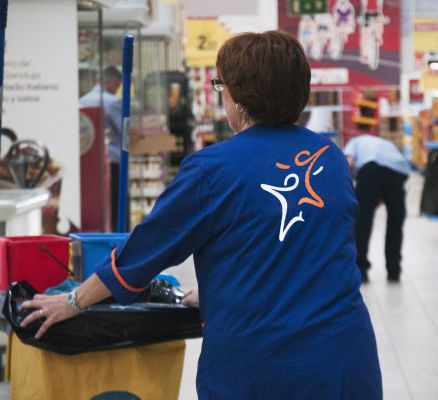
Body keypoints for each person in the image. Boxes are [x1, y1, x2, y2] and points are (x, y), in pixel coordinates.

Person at [21, 31, 382, 399]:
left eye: (220, 84)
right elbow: (301, 247)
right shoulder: (330, 158)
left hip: (261, 363)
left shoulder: (212, 169)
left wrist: (71, 301)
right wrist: (216, 291)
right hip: (343, 356)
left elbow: (141, 257)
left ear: (239, 97)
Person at [80, 66, 142, 231]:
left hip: (91, 162)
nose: (117, 90)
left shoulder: (83, 99)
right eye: (118, 86)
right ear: (113, 82)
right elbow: (125, 130)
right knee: (116, 205)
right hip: (113, 161)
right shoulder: (112, 102)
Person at [344, 134, 410, 283]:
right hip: (398, 170)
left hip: (370, 167)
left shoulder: (354, 142)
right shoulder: (384, 143)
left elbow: (349, 161)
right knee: (395, 221)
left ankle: (361, 270)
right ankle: (394, 270)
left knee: (362, 222)